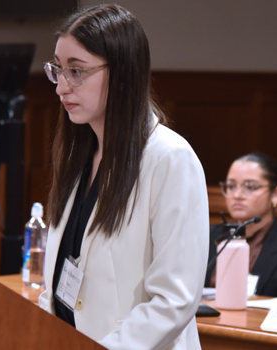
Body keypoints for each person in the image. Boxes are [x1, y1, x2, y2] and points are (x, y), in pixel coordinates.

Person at [37, 5, 209, 349]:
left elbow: (175, 300)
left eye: (77, 71)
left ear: (123, 73)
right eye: (58, 69)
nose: (61, 87)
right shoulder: (78, 154)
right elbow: (59, 282)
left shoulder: (169, 158)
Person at [204, 152, 277, 300]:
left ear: (275, 194)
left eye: (250, 187)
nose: (238, 194)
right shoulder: (205, 238)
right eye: (231, 186)